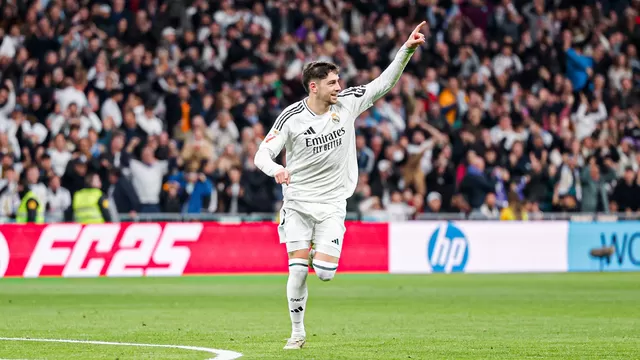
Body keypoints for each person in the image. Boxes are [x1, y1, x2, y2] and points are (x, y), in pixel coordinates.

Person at [254, 21, 427, 350]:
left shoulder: (348, 103)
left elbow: (382, 84)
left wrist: (407, 49)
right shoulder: (291, 118)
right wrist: (276, 169)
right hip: (298, 203)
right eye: (332, 82)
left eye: (339, 81)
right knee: (297, 271)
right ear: (314, 87)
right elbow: (261, 154)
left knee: (325, 273)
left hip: (333, 204)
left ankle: (320, 253)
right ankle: (297, 333)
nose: (339, 86)